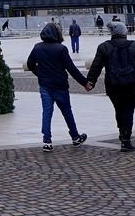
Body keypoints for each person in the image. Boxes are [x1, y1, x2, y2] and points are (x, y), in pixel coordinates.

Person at [85, 22, 135, 152]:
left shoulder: (104, 47)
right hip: (132, 85)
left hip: (113, 86)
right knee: (129, 111)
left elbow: (96, 66)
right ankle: (126, 139)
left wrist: (91, 82)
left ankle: (122, 132)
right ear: (124, 32)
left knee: (119, 109)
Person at [24, 22, 88, 152]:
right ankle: (75, 137)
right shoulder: (61, 49)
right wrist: (85, 83)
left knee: (47, 113)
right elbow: (72, 69)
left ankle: (47, 141)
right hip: (60, 86)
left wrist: (40, 74)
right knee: (67, 112)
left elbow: (30, 64)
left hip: (45, 86)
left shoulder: (37, 47)